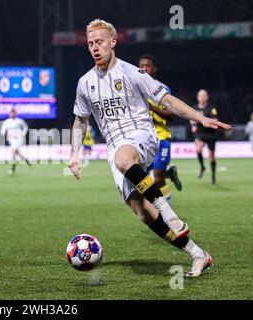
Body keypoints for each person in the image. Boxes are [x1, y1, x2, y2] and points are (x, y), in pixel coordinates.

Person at [68, 19, 231, 277]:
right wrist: (74, 154)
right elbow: (80, 120)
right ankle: (198, 254)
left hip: (140, 135)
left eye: (99, 42)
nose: (94, 48)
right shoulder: (85, 83)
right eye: (90, 44)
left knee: (125, 159)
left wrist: (198, 117)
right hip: (114, 149)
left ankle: (168, 209)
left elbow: (167, 101)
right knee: (143, 213)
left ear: (113, 41)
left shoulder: (133, 73)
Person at [138, 54, 182, 202]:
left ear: (154, 69)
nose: (144, 68)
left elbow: (171, 115)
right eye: (142, 66)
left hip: (161, 137)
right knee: (142, 180)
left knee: (157, 178)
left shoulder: (162, 89)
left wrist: (152, 107)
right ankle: (168, 173)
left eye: (148, 66)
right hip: (141, 139)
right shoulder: (134, 88)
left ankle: (166, 212)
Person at [190, 89, 220, 185]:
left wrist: (204, 119)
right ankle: (202, 167)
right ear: (198, 97)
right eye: (200, 96)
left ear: (206, 97)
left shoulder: (212, 108)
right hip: (200, 133)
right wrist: (194, 125)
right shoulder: (194, 108)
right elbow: (191, 119)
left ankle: (213, 176)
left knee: (211, 157)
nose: (202, 98)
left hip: (210, 133)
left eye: (204, 96)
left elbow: (215, 121)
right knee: (198, 150)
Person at [0, 109, 31, 175]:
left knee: (13, 151)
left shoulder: (20, 121)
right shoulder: (7, 121)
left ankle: (13, 168)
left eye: (14, 113)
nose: (12, 114)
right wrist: (6, 134)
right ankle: (26, 160)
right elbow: (2, 131)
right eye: (11, 113)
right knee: (17, 152)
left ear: (16, 113)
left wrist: (23, 133)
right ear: (9, 114)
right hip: (11, 139)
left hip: (19, 138)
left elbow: (25, 127)